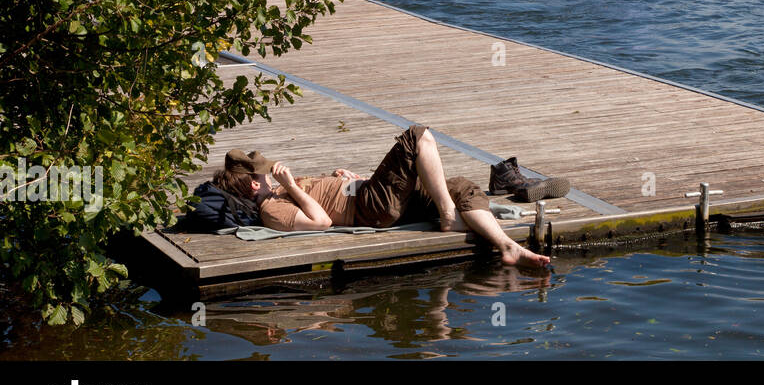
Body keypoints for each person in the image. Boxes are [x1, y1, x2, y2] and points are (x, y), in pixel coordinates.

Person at [211, 129, 550, 269]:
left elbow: (323, 200)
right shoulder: (272, 209)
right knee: (417, 137)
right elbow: (322, 222)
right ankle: (449, 217)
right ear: (254, 187)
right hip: (371, 207)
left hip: (368, 194)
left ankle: (507, 246)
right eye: (264, 174)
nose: (271, 174)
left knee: (462, 187)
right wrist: (294, 186)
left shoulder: (279, 193)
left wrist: (339, 178)